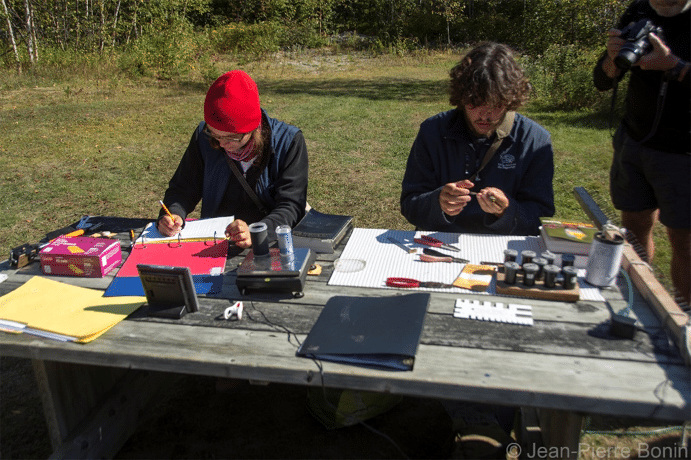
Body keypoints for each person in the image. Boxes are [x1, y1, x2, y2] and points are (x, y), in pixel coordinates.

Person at [400, 42, 555, 236]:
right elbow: (409, 204)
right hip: (439, 242)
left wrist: (506, 211)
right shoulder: (433, 131)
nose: (485, 115)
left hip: (502, 246)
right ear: (461, 97)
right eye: (475, 103)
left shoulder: (534, 140)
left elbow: (541, 218)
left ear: (511, 101)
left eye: (496, 105)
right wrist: (437, 202)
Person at [593, 0, 690, 305]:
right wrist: (612, 59)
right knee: (633, 228)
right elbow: (602, 78)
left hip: (683, 150)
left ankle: (684, 321)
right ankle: (642, 304)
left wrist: (674, 66)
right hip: (634, 140)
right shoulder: (638, 11)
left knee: (683, 239)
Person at [157, 70, 309, 247]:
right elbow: (183, 187)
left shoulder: (288, 142)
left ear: (252, 129)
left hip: (270, 244)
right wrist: (173, 212)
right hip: (215, 243)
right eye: (215, 135)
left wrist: (258, 232)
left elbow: (291, 206)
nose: (221, 144)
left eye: (231, 137)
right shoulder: (204, 136)